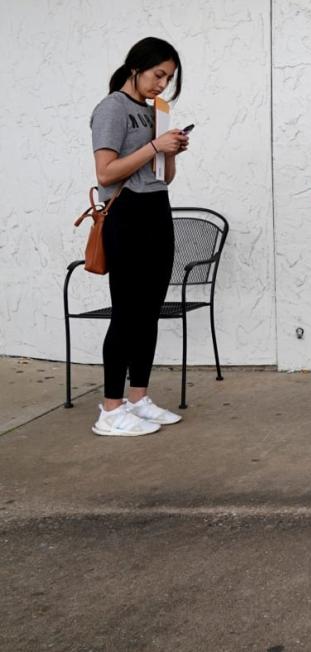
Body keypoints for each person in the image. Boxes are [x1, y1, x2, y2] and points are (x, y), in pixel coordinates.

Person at [88, 38, 190, 436]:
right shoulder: (111, 108)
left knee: (149, 312)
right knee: (127, 312)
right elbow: (105, 173)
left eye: (168, 78)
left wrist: (171, 152)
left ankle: (138, 399)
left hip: (156, 210)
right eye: (158, 75)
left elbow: (162, 177)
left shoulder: (154, 113)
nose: (162, 85)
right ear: (136, 67)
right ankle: (110, 410)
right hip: (125, 214)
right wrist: (153, 145)